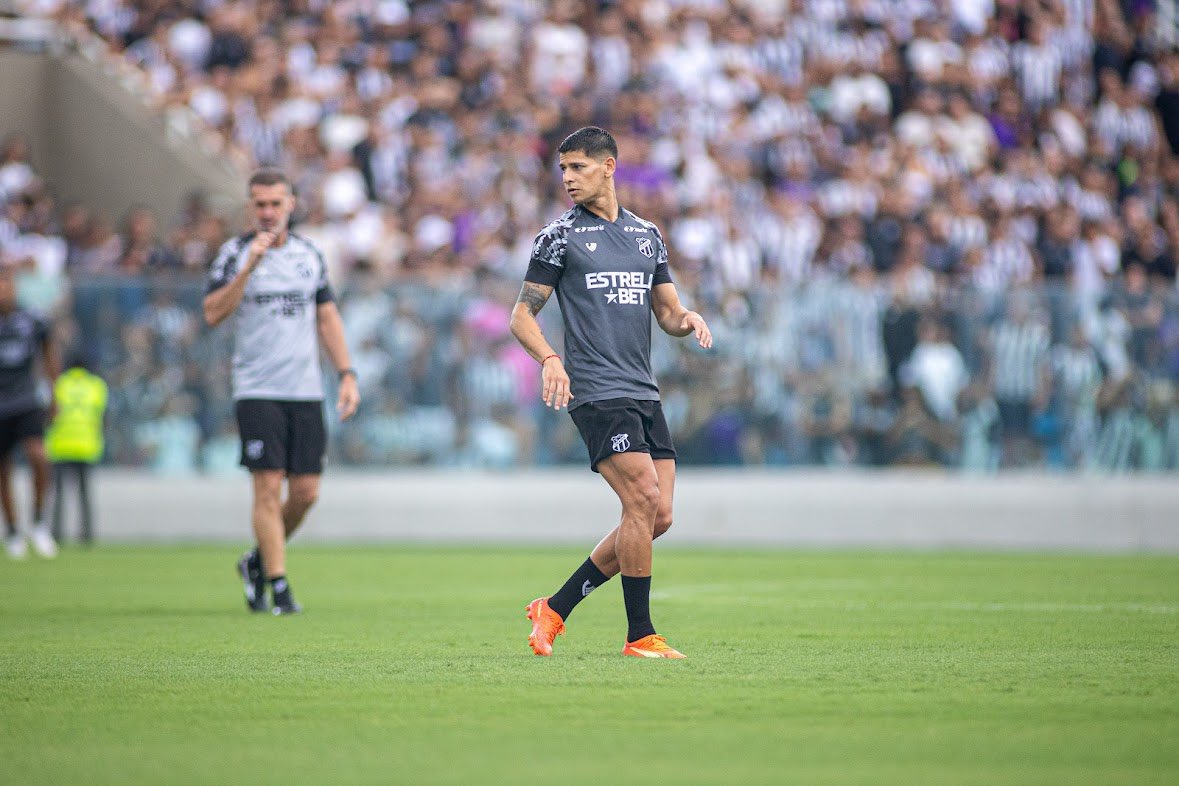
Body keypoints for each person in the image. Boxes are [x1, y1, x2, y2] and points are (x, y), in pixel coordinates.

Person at [509, 127, 713, 659]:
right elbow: (521, 315)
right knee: (642, 500)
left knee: (657, 515)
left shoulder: (647, 235)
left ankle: (554, 608)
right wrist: (551, 359)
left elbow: (666, 313)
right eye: (563, 170)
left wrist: (686, 318)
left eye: (577, 167)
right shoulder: (558, 237)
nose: (568, 179)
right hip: (597, 392)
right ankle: (640, 635)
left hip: (643, 391)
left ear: (609, 166)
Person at [203, 169, 360, 615]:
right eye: (260, 204)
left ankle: (255, 562)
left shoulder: (309, 255)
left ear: (291, 203)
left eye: (276, 203)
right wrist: (249, 266)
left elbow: (327, 317)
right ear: (250, 207)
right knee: (267, 487)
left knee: (306, 492)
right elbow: (213, 312)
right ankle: (279, 583)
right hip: (257, 388)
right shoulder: (233, 254)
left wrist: (347, 373)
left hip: (305, 389)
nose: (268, 212)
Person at [0, 267, 59, 559]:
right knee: (3, 469)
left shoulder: (31, 319)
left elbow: (49, 352)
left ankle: (38, 521)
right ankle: (12, 529)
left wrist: (53, 392)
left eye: (7, 283)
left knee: (39, 456)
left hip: (25, 401)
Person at [45, 356, 108, 544]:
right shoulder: (96, 385)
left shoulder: (59, 384)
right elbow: (102, 416)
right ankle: (87, 535)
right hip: (86, 445)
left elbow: (49, 414)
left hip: (61, 445)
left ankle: (56, 534)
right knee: (85, 494)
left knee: (58, 494)